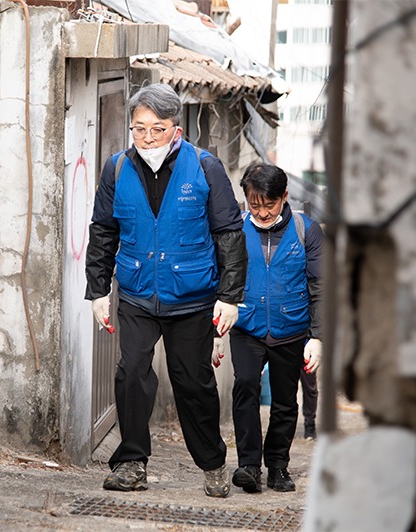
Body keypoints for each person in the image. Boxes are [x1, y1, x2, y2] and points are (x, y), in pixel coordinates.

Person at [84, 83, 248, 498]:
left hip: (192, 297)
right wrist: (98, 290)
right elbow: (103, 230)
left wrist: (229, 297)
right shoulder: (116, 168)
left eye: (157, 129)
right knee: (132, 372)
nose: (147, 138)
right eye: (139, 129)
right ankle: (131, 462)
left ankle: (212, 462)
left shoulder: (205, 168)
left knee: (192, 383)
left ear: (176, 128)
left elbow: (229, 234)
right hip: (138, 292)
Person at [228, 162, 323, 494]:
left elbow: (320, 287)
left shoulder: (306, 231)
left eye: (269, 204)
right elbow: (222, 280)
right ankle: (249, 465)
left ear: (284, 196)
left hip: (291, 329)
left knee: (285, 400)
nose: (262, 212)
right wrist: (214, 332)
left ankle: (277, 466)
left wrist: (317, 337)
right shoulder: (235, 229)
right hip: (247, 326)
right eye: (255, 205)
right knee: (245, 386)